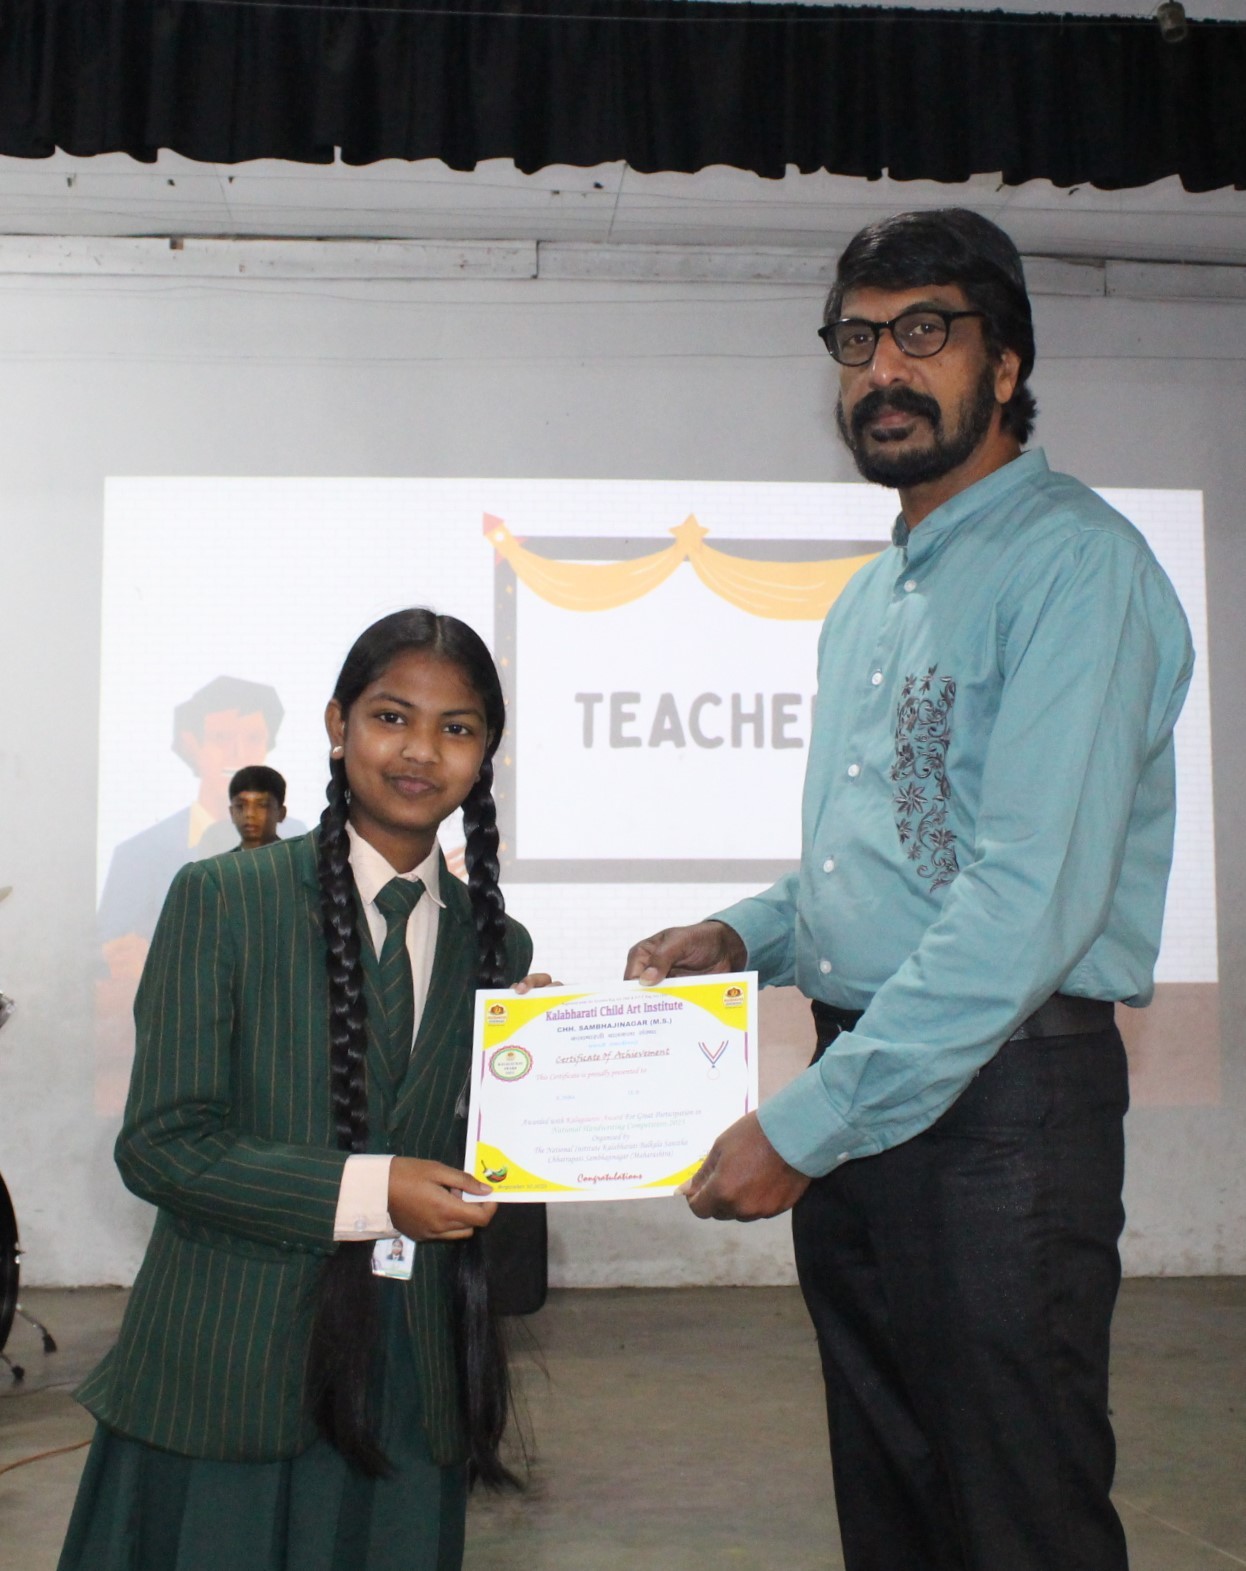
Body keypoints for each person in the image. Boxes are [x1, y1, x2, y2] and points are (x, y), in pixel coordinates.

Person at [625, 209, 1193, 1571]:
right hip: (877, 1082)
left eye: (924, 331)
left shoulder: (1078, 565)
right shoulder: (869, 599)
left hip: (1004, 1109)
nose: (883, 367)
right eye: (857, 338)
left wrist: (809, 1120)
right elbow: (888, 857)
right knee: (895, 1505)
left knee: (1016, 1514)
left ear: (1006, 364)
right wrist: (742, 932)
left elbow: (1027, 900)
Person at [63, 609, 536, 1571]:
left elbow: (481, 1153)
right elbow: (162, 1143)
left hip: (411, 1378)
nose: (421, 750)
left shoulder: (497, 946)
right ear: (335, 724)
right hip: (226, 1369)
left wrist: (553, 1073)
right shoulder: (224, 899)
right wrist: (372, 1191)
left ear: (486, 752)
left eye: (457, 728)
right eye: (391, 716)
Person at [225, 763, 290, 850]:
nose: (249, 814)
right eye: (240, 806)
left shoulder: (295, 857)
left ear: (281, 813)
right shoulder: (225, 859)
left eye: (262, 805)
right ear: (231, 813)